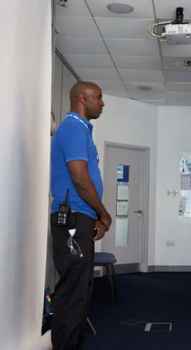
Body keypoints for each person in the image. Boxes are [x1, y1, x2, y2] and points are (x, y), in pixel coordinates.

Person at [50, 81, 112, 349]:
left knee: (80, 288)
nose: (102, 103)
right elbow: (79, 178)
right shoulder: (73, 127)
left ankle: (72, 342)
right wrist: (103, 213)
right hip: (73, 218)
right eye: (98, 98)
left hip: (80, 218)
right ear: (82, 99)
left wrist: (95, 216)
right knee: (73, 291)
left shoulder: (81, 130)